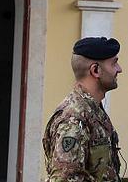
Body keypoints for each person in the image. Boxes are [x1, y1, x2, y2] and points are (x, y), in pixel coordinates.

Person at [43, 37, 123, 182]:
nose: (119, 69)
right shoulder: (73, 119)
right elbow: (65, 178)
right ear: (95, 70)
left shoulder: (93, 111)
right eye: (114, 63)